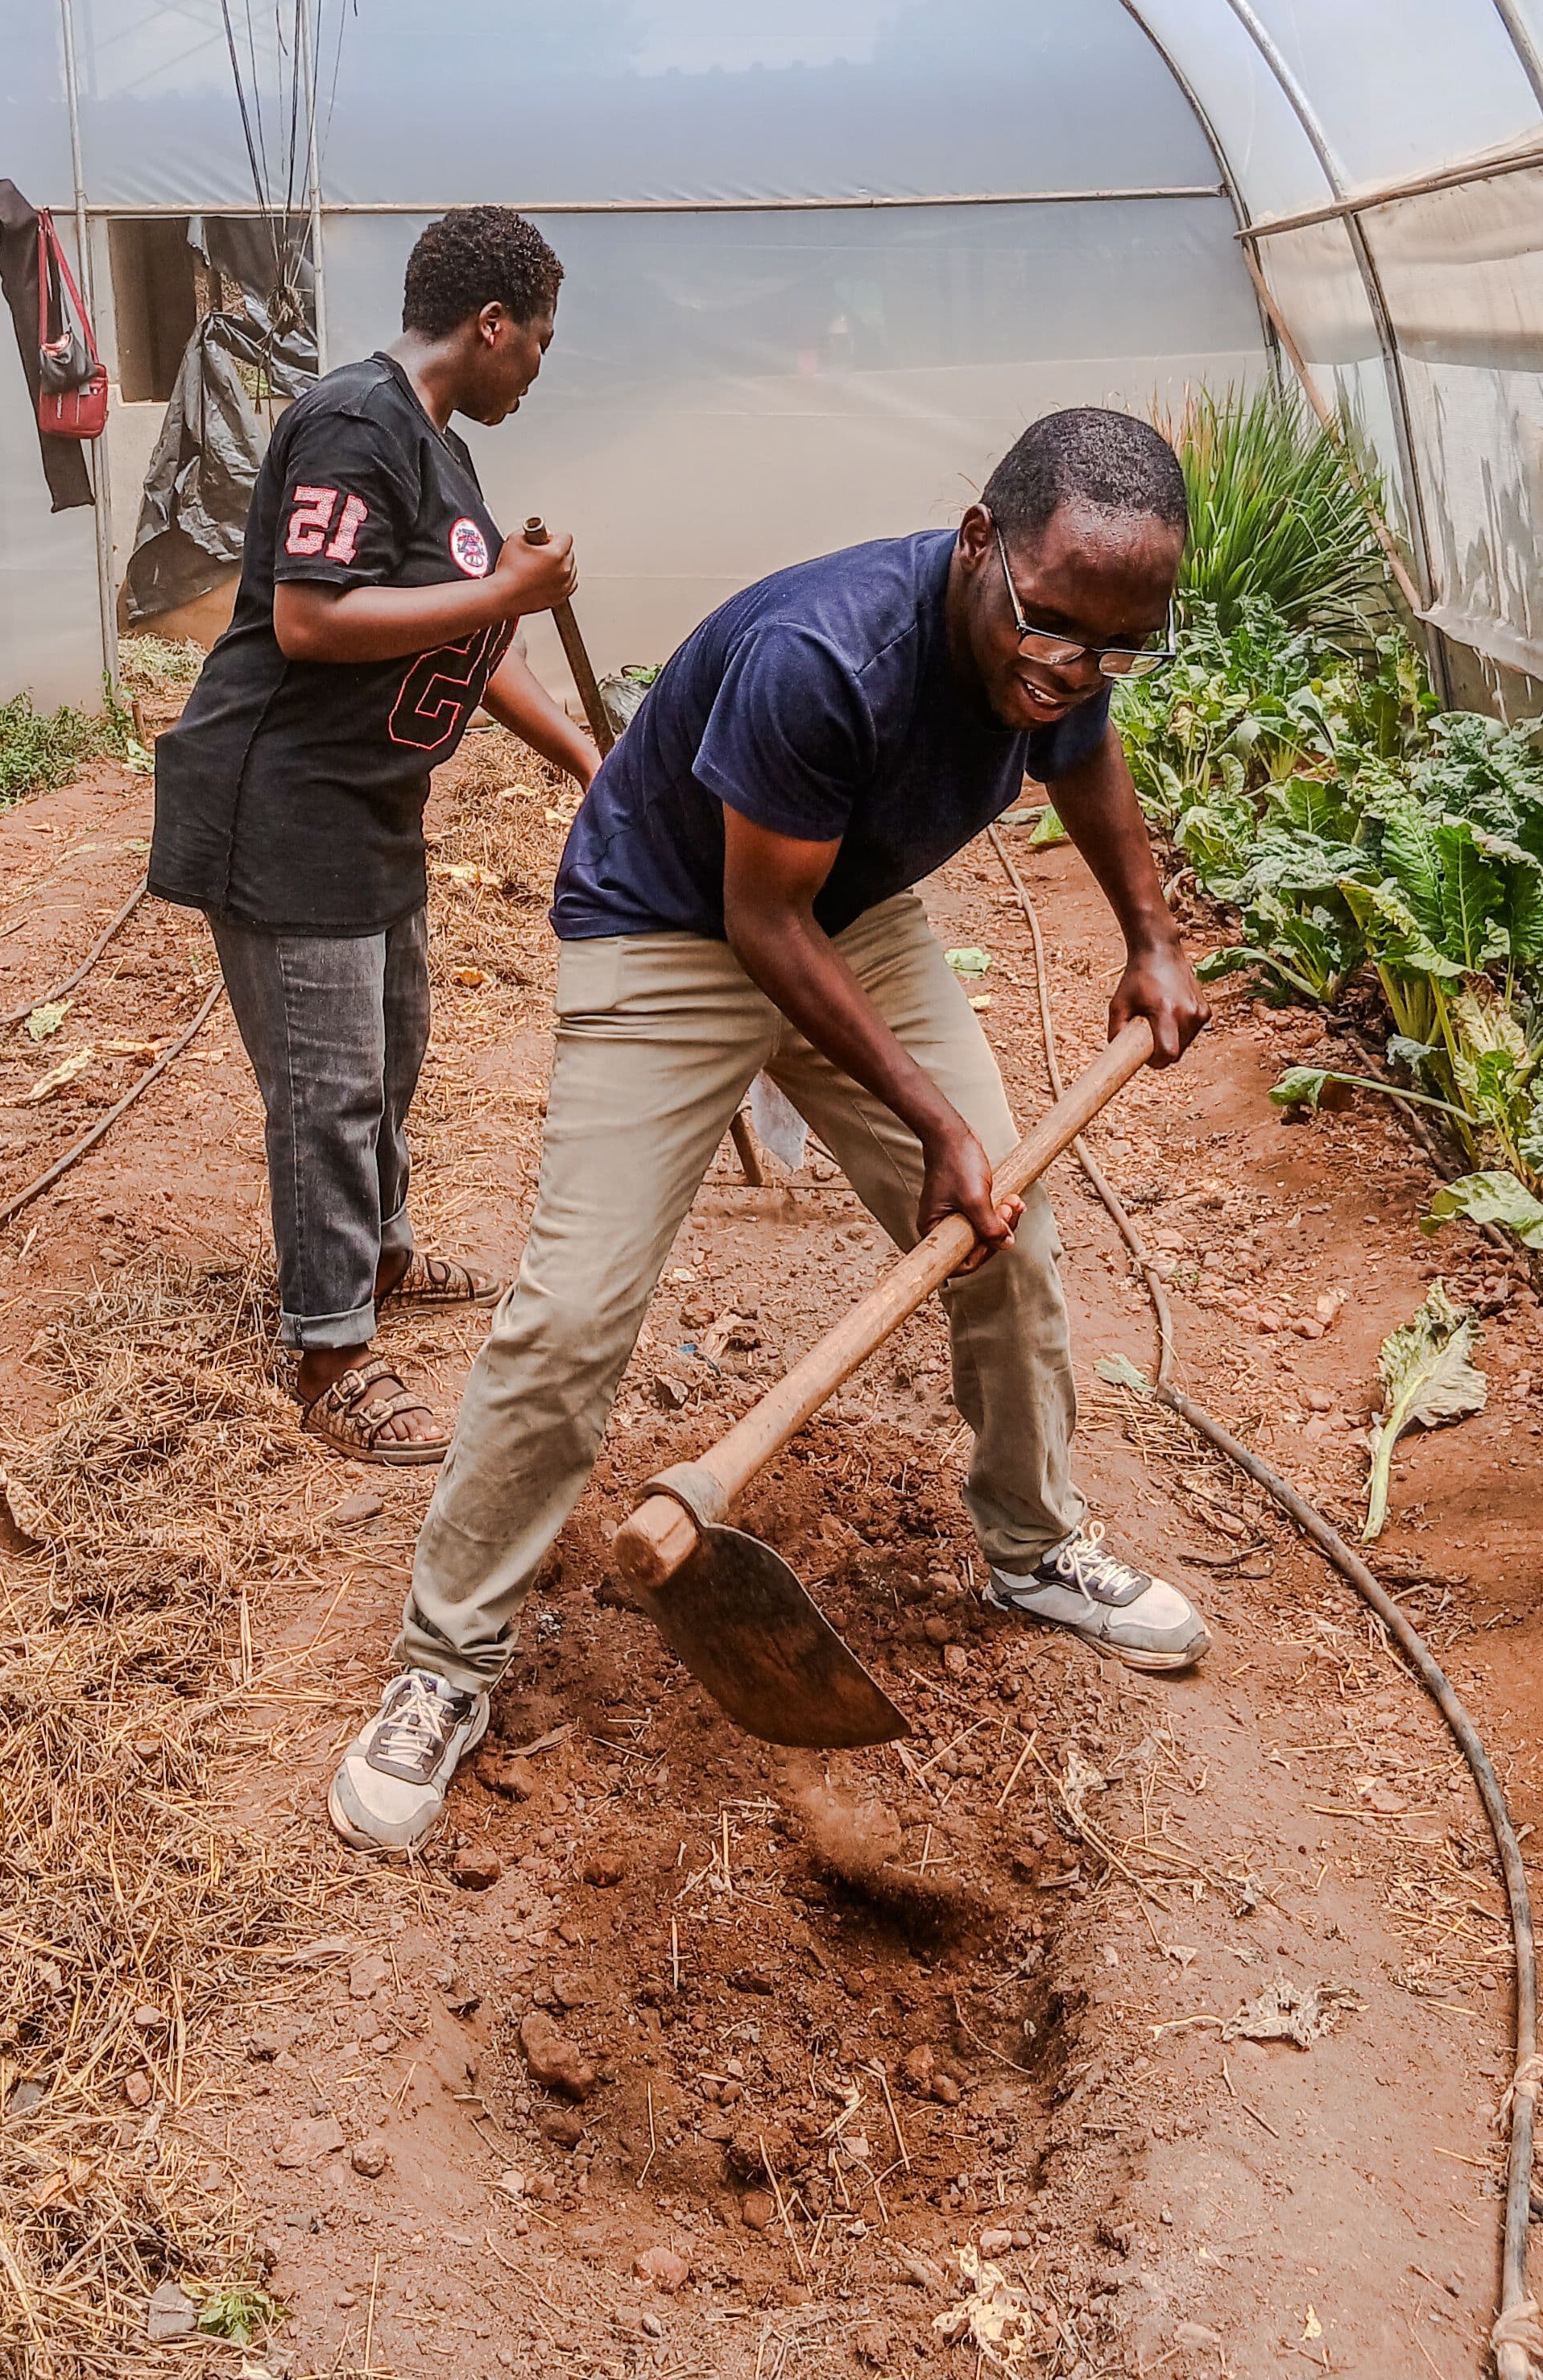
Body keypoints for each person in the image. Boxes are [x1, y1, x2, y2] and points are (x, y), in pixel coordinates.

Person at [328, 404, 1213, 1853]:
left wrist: (1153, 937)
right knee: (571, 1314)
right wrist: (931, 1118)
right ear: (980, 545)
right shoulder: (829, 657)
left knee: (1011, 1242)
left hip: (849, 917)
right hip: (677, 924)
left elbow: (1084, 752)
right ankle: (445, 1659)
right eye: (1054, 631)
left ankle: (1036, 1546)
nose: (1074, 673)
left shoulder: (1072, 635)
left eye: (1119, 648)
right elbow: (757, 919)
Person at [149, 205, 599, 1467]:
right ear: (491, 325)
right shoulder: (356, 423)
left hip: (369, 806)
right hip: (282, 805)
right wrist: (509, 587)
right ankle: (332, 1351)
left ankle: (381, 1254)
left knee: (391, 1055)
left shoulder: (440, 450)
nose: (537, 370)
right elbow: (309, 618)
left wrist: (580, 754)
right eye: (539, 345)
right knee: (329, 1090)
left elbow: (468, 629)